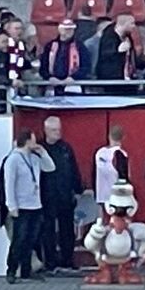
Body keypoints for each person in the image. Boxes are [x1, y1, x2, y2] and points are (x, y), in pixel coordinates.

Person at [4, 128, 56, 284]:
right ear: (27, 141)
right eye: (33, 140)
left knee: (31, 240)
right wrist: (11, 205)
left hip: (35, 205)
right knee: (19, 240)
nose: (36, 143)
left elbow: (50, 167)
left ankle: (27, 271)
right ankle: (12, 269)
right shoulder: (13, 159)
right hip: (22, 206)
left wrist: (43, 152)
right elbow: (9, 183)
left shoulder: (34, 158)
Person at [38, 117, 86, 274]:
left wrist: (78, 190)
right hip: (47, 197)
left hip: (65, 195)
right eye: (54, 130)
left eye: (59, 129)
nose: (57, 133)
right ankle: (50, 262)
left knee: (67, 230)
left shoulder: (66, 148)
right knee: (48, 230)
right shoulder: (39, 149)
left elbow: (73, 170)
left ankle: (68, 260)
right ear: (46, 131)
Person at [39, 19, 90, 92]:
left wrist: (73, 78)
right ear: (60, 30)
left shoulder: (80, 47)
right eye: (66, 29)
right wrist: (49, 77)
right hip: (53, 85)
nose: (69, 32)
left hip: (73, 85)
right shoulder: (50, 46)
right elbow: (43, 66)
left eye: (71, 29)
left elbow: (86, 66)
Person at [94, 125, 130, 208]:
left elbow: (94, 174)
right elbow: (124, 176)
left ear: (109, 136)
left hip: (101, 195)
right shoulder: (121, 154)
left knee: (102, 219)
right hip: (118, 197)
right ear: (123, 137)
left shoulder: (99, 152)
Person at [95, 14, 138, 82]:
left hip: (127, 78)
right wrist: (117, 51)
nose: (134, 26)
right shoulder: (108, 37)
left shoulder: (128, 37)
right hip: (112, 78)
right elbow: (105, 55)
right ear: (124, 24)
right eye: (132, 23)